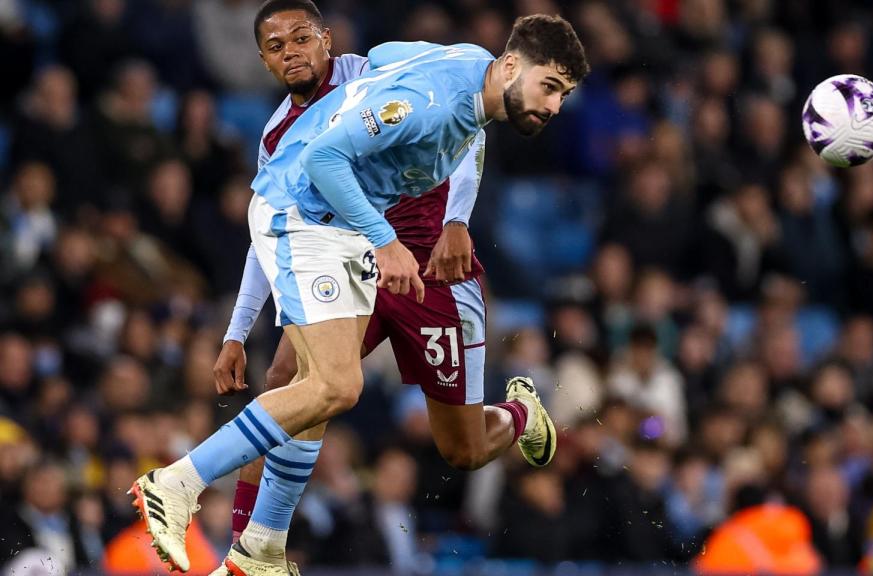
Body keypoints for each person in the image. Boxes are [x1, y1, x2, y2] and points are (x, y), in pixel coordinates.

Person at [128, 1, 589, 574]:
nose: (293, 53)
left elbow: (467, 122)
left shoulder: (395, 68)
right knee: (306, 381)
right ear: (264, 61)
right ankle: (244, 542)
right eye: (277, 47)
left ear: (327, 39)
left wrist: (456, 220)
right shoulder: (353, 117)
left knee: (461, 448)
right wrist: (239, 327)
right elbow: (309, 177)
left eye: (302, 39)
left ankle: (518, 413)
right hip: (349, 239)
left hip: (429, 267)